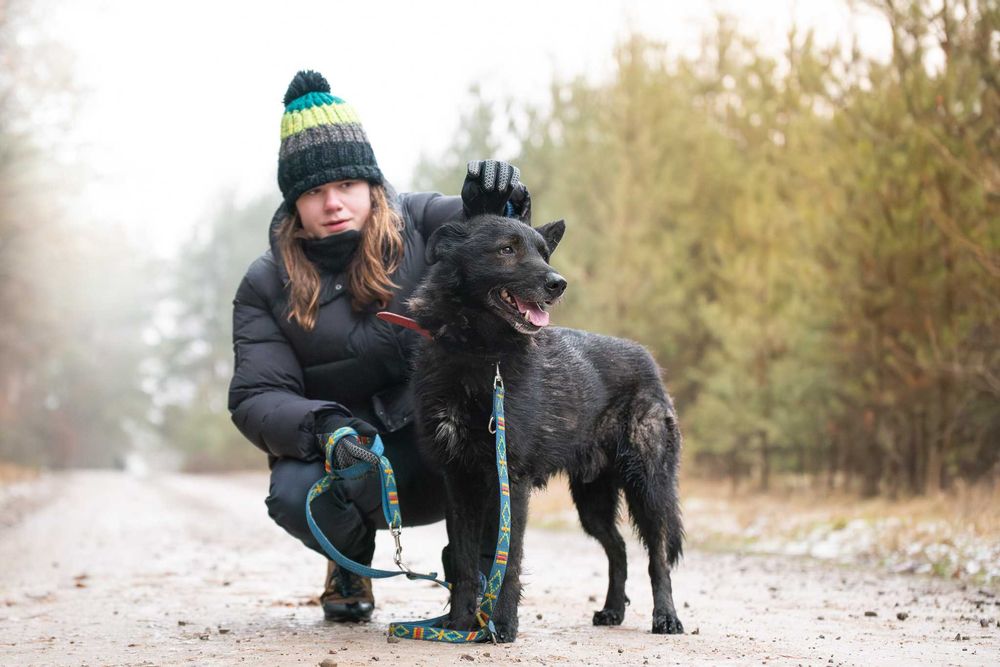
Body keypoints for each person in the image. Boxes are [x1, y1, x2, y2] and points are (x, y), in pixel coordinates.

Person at [227, 70, 529, 623]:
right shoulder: (265, 285)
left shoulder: (423, 221)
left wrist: (497, 208)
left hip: (445, 442)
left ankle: (478, 577)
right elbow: (257, 394)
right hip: (354, 455)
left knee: (491, 430)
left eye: (345, 185)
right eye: (313, 191)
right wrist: (323, 427)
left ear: (370, 183)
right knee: (297, 490)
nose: (333, 202)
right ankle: (348, 559)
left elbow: (494, 246)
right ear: (294, 204)